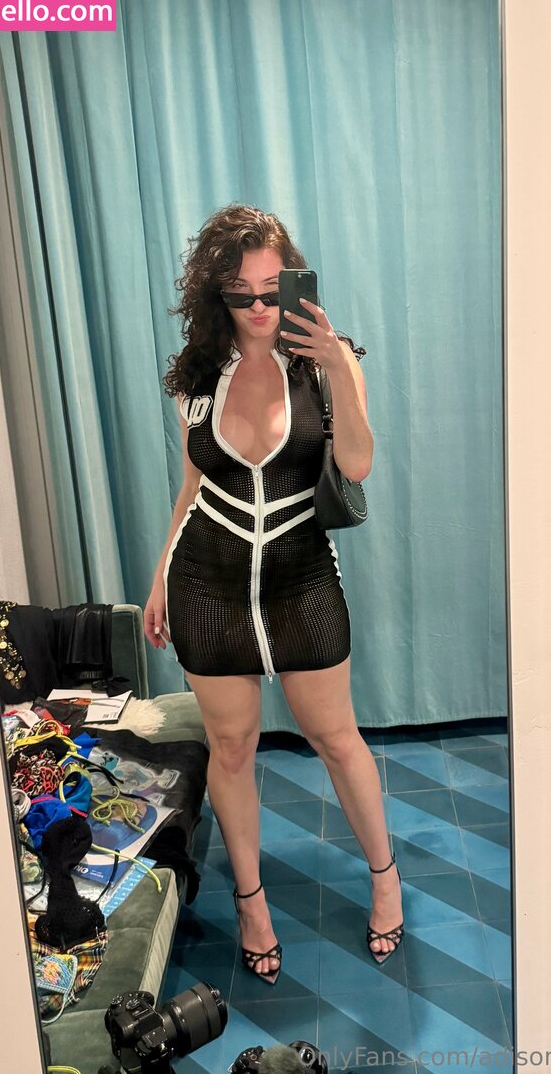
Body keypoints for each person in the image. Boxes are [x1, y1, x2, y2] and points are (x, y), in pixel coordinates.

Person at [144, 204, 404, 984]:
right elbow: (190, 488)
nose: (259, 307)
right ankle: (252, 904)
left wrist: (335, 367)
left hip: (301, 576)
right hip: (206, 583)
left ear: (293, 284)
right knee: (230, 748)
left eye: (271, 290)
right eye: (241, 293)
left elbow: (356, 465)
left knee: (337, 739)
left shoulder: (327, 361)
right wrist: (158, 579)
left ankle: (385, 880)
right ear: (216, 295)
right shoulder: (197, 377)